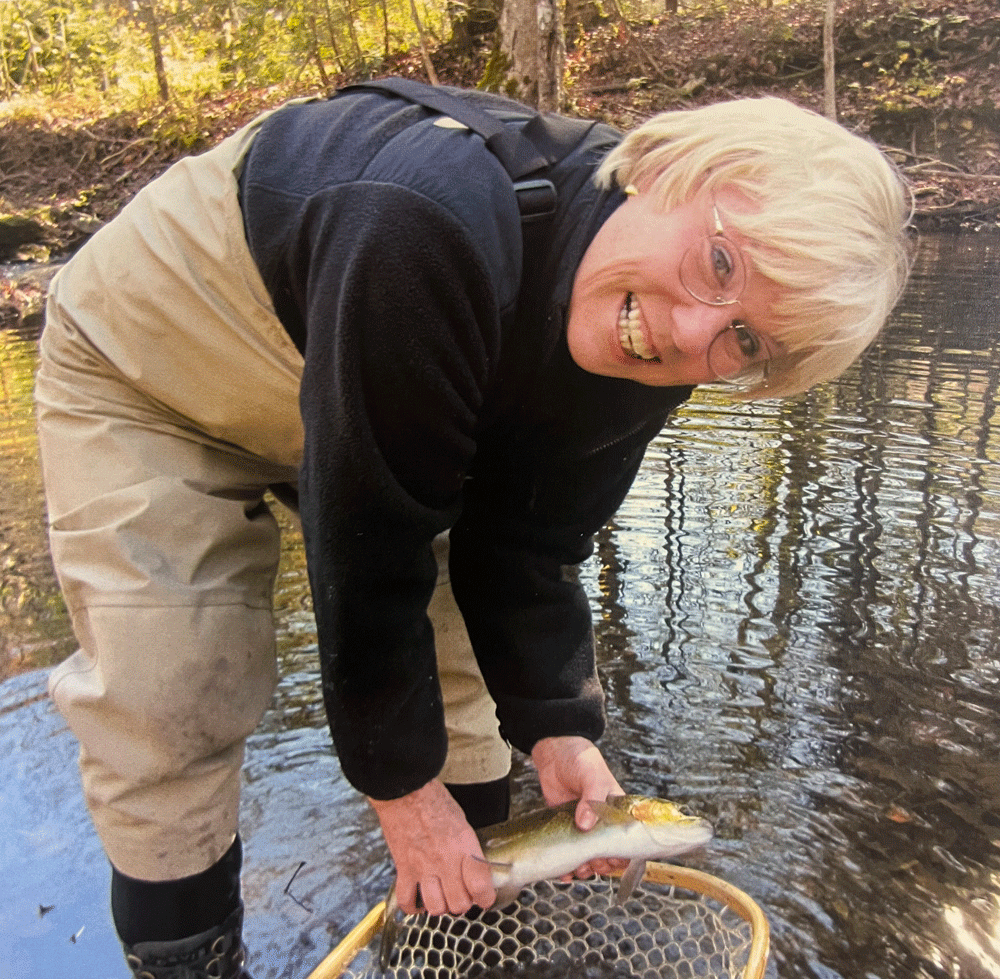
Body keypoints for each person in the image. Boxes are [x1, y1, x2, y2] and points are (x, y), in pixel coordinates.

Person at [34, 79, 911, 979]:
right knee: (169, 689)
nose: (691, 332)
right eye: (722, 264)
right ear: (663, 169)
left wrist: (560, 729)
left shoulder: (657, 341)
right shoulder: (426, 217)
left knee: (465, 706)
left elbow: (529, 543)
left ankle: (457, 946)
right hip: (155, 371)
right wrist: (400, 792)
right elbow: (368, 549)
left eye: (748, 341)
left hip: (381, 391)